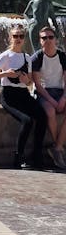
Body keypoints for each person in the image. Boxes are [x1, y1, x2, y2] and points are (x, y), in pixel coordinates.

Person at [0, 25, 47, 169]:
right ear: (10, 38)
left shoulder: (27, 58)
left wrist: (26, 80)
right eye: (15, 36)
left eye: (21, 36)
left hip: (23, 95)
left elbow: (30, 82)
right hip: (9, 96)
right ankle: (18, 157)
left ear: (24, 39)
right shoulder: (5, 56)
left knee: (42, 117)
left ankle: (36, 155)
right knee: (27, 121)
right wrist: (6, 73)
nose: (18, 39)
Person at [31, 26, 66, 168]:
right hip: (43, 93)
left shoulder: (63, 57)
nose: (48, 40)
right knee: (50, 111)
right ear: (40, 41)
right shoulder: (37, 57)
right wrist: (52, 100)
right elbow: (38, 85)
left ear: (56, 40)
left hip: (60, 92)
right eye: (44, 38)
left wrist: (64, 98)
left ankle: (57, 147)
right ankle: (58, 148)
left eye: (50, 37)